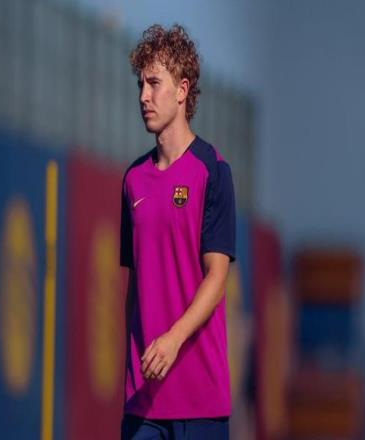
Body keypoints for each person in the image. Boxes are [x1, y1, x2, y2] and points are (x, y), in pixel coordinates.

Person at [119, 24, 236, 440]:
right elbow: (135, 286)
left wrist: (172, 339)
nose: (143, 96)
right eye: (140, 84)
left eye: (154, 83)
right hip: (143, 403)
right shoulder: (132, 179)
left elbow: (217, 277)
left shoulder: (212, 171)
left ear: (183, 90)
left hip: (201, 401)